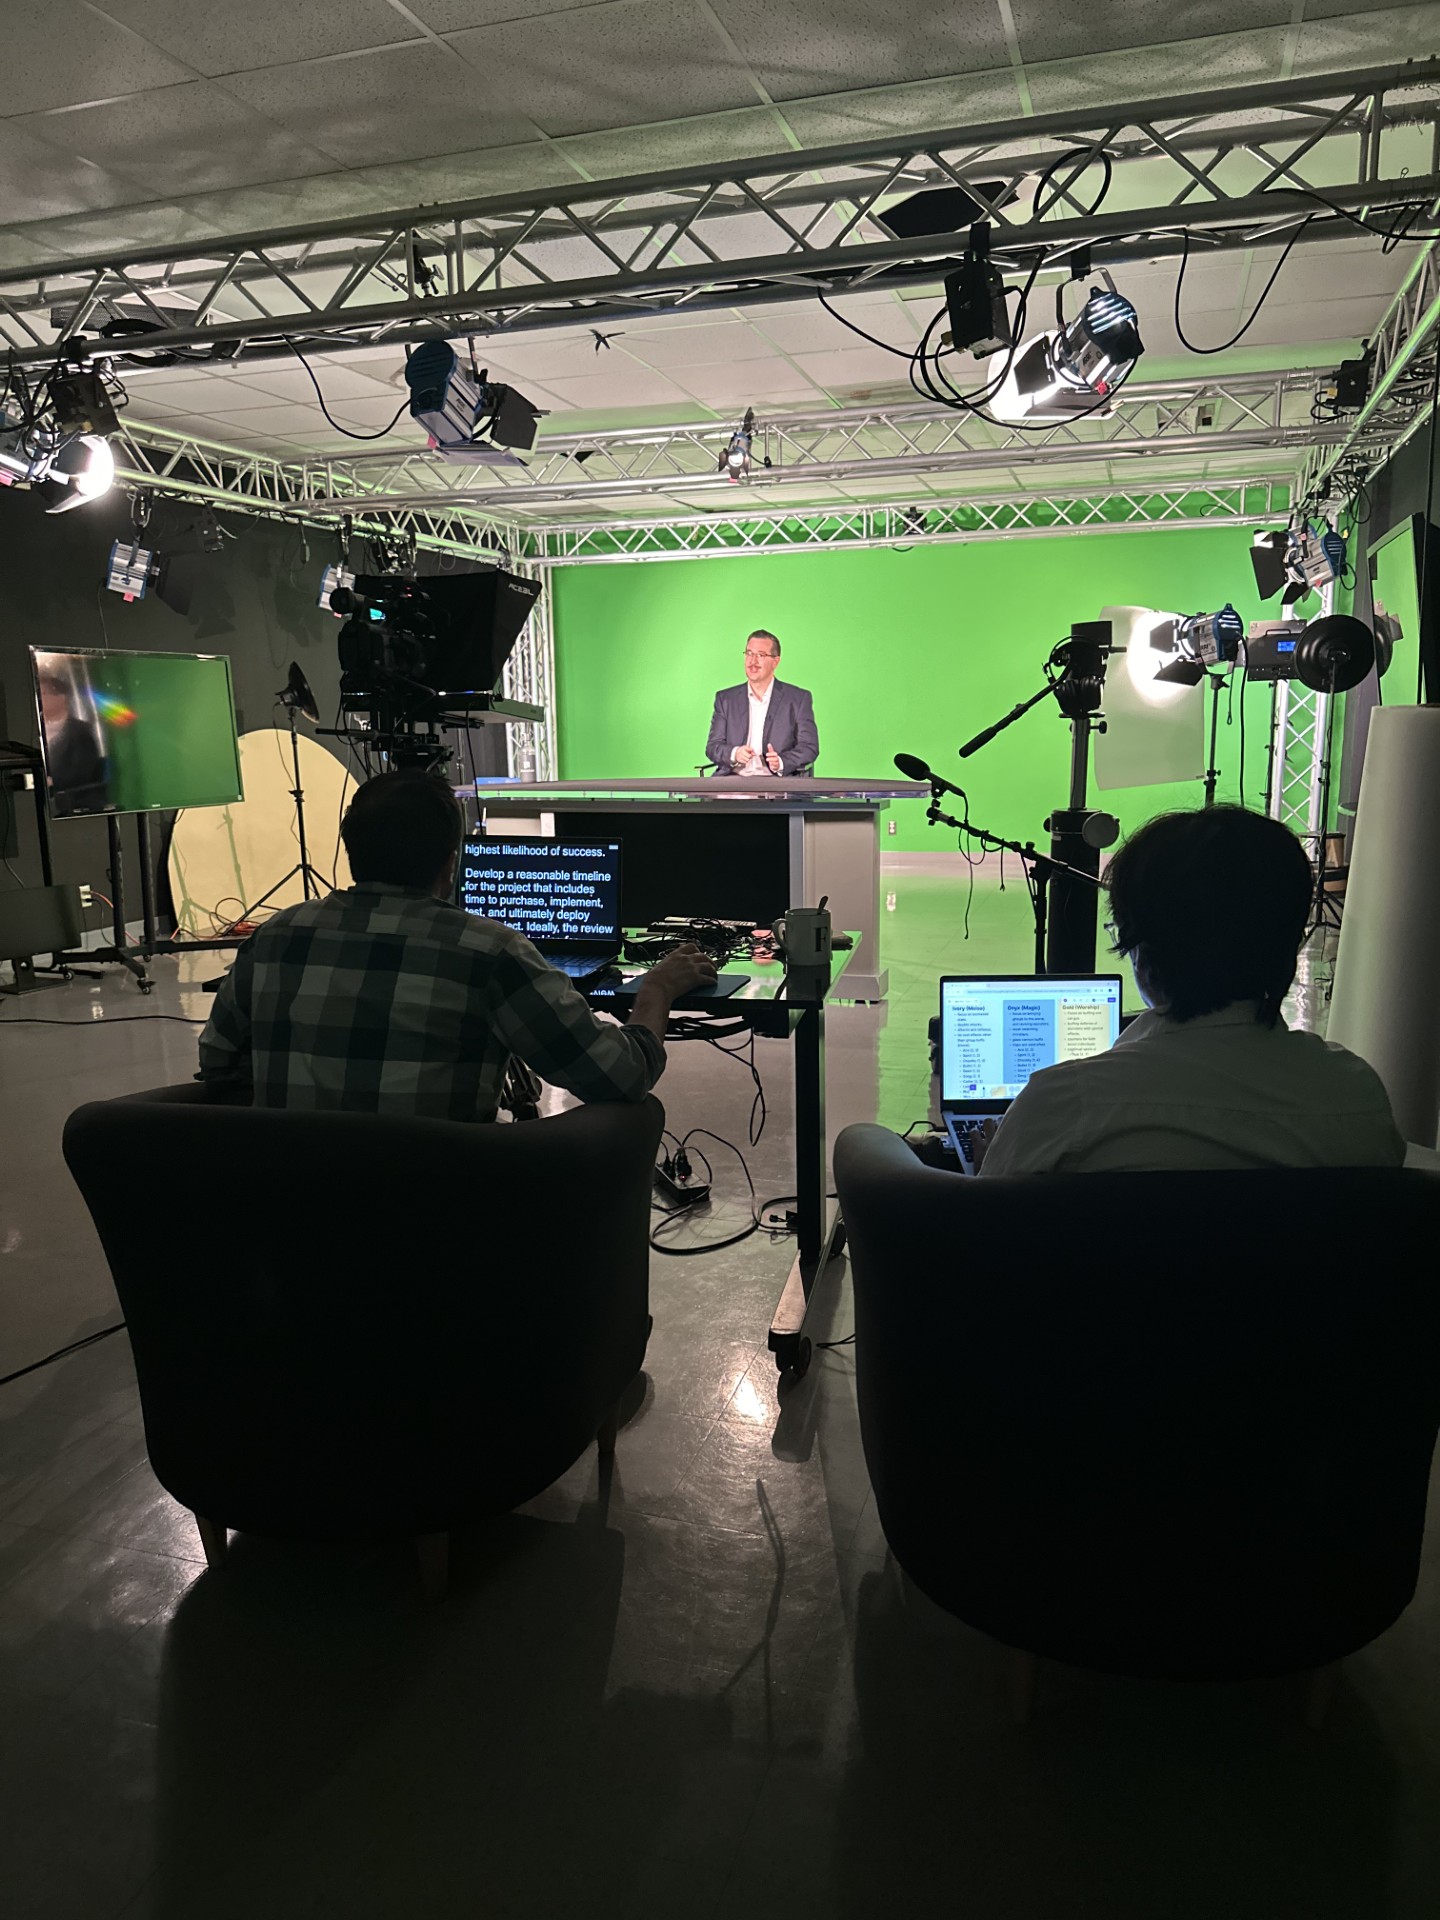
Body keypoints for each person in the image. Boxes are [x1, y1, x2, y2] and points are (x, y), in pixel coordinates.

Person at [198, 771, 716, 1120]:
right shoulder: (490, 953)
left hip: (288, 1229)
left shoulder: (273, 938)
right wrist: (655, 992)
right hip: (448, 1228)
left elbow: (218, 1065)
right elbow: (620, 1078)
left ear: (351, 849)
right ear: (451, 864)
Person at [978, 806, 1405, 1176]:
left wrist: (984, 1171)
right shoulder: (1357, 1097)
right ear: (1291, 941)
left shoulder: (1062, 1107)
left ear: (1138, 945)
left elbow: (987, 1237)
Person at [705, 630, 819, 777]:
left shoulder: (798, 699)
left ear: (775, 661)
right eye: (749, 654)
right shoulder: (725, 699)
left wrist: (781, 761)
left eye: (760, 655)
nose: (753, 661)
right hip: (733, 784)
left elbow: (809, 747)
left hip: (778, 784)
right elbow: (713, 747)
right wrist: (734, 753)